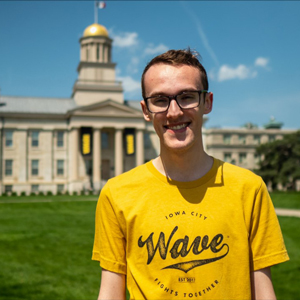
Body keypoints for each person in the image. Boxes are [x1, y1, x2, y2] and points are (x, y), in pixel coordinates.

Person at [92, 49, 289, 299]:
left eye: (187, 97)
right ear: (145, 110)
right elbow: (110, 293)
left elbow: (263, 291)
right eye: (160, 100)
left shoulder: (249, 188)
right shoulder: (117, 193)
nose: (174, 112)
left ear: (207, 102)